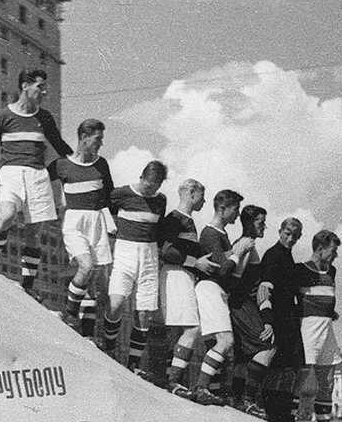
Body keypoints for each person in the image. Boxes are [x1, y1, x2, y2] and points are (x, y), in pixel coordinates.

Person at [0, 69, 72, 293]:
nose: (44, 92)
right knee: (7, 216)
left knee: (33, 234)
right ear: (25, 86)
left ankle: (28, 286)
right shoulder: (4, 115)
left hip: (37, 176)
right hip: (11, 173)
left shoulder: (44, 118)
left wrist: (80, 163)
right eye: (39, 87)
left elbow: (60, 146)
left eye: (45, 88)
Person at [47, 119, 115, 337]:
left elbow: (110, 198)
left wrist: (116, 224)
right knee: (85, 267)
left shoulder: (101, 164)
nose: (100, 144)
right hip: (74, 222)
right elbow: (38, 182)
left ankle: (86, 337)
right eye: (97, 139)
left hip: (97, 223)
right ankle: (69, 314)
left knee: (95, 283)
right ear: (83, 138)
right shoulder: (61, 165)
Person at [101, 160, 168, 379]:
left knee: (144, 314)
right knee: (116, 303)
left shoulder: (160, 200)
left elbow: (158, 230)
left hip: (149, 256)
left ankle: (133, 364)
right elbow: (102, 207)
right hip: (125, 251)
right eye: (149, 184)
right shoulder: (121, 194)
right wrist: (111, 228)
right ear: (142, 177)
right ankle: (108, 348)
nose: (152, 189)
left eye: (157, 186)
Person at [190, 189, 255, 406]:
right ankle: (201, 388)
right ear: (222, 209)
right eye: (235, 209)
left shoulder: (222, 234)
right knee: (226, 341)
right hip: (210, 288)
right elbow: (222, 270)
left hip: (216, 291)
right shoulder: (210, 234)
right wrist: (240, 251)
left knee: (216, 346)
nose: (237, 215)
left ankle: (210, 391)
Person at [161, 179, 219, 398]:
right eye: (202, 196)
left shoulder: (186, 220)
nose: (204, 201)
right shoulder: (175, 219)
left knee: (181, 330)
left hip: (182, 275)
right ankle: (174, 381)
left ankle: (172, 379)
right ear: (192, 193)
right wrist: (196, 263)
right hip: (175, 274)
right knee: (192, 329)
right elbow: (166, 251)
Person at [294, 229, 342, 422]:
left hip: (327, 329)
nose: (335, 256)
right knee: (303, 380)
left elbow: (326, 298)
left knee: (328, 380)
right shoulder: (301, 270)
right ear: (320, 248)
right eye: (333, 251)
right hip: (308, 328)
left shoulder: (331, 271)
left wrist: (330, 311)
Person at [257, 217, 305, 422]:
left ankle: (287, 420)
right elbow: (264, 290)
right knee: (276, 369)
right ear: (279, 232)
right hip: (276, 321)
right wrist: (268, 323)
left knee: (292, 369)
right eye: (287, 233)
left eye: (295, 235)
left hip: (290, 322)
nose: (290, 238)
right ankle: (275, 417)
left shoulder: (289, 259)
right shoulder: (272, 255)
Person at [228, 205, 273, 417]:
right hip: (241, 305)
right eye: (260, 222)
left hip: (240, 305)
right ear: (249, 223)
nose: (264, 226)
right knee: (267, 346)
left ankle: (236, 399)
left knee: (243, 356)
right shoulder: (245, 245)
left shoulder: (248, 245)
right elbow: (234, 280)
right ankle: (247, 400)